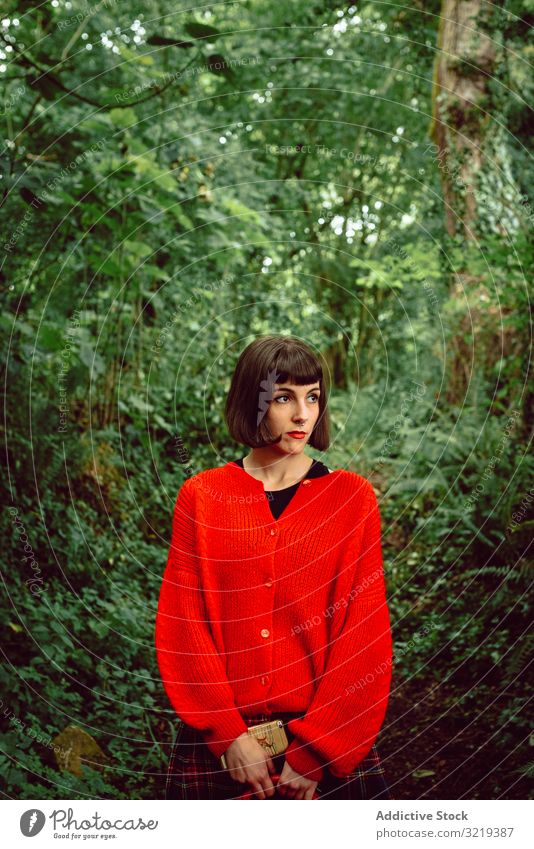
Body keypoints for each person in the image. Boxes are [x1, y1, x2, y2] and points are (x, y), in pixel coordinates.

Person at [155, 335, 393, 799]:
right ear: (253, 401)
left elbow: (364, 634)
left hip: (322, 750)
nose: (303, 414)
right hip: (223, 752)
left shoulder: (352, 500)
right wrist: (228, 736)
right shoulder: (202, 497)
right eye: (284, 397)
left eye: (313, 397)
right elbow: (184, 624)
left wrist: (315, 752)